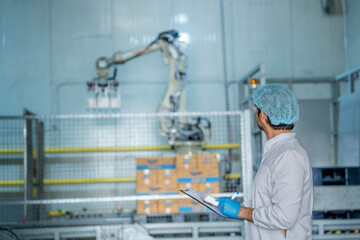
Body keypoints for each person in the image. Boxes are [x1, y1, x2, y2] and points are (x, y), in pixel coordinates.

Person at [218, 84, 313, 240]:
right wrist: (244, 207)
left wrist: (242, 212)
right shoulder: (278, 151)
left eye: (256, 111)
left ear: (262, 115)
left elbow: (285, 216)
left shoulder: (289, 155)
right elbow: (272, 198)